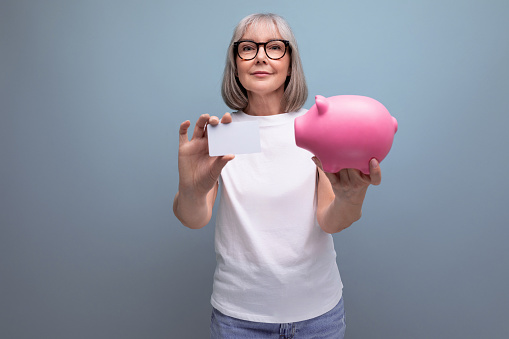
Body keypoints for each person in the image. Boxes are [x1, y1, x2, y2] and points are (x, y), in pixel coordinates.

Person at [173, 13, 381, 339]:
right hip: (239, 321)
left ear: (290, 61)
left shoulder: (315, 128)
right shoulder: (223, 133)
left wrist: (352, 196)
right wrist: (191, 188)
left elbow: (331, 220)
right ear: (235, 62)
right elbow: (194, 217)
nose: (260, 57)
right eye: (247, 48)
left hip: (318, 318)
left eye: (274, 48)